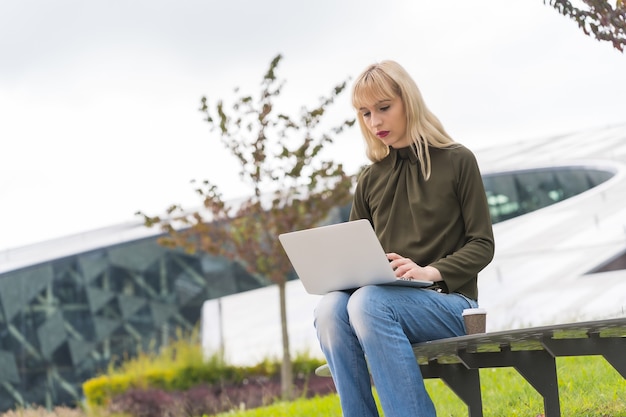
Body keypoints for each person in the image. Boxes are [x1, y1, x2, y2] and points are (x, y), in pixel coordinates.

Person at [313, 60, 495, 417]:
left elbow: (482, 244)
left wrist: (430, 272)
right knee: (329, 309)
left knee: (368, 303)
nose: (375, 122)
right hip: (381, 304)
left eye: (383, 108)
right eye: (365, 113)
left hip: (452, 305)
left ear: (407, 101)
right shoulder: (369, 180)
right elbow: (354, 260)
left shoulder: (457, 161)